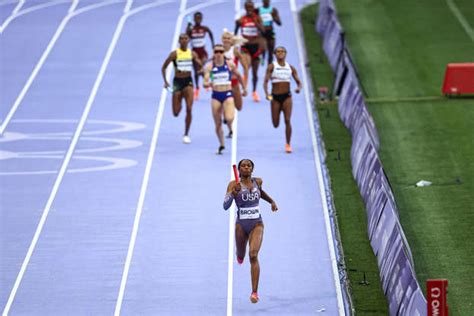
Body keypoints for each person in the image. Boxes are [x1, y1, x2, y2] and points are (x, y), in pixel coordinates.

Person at [223, 159, 278, 303]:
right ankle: (239, 255)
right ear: (239, 170)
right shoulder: (233, 185)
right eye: (243, 165)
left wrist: (271, 201)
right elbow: (225, 206)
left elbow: (261, 192)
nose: (246, 167)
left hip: (257, 224)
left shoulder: (258, 181)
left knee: (253, 255)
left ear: (252, 169)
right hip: (241, 225)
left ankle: (254, 292)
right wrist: (233, 194)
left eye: (249, 165)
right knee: (241, 254)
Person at [204, 44, 247, 154]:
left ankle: (228, 122)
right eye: (216, 52)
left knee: (229, 118)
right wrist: (207, 83)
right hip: (216, 96)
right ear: (213, 53)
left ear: (224, 53)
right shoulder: (209, 66)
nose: (218, 54)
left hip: (227, 94)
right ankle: (222, 144)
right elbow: (205, 80)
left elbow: (239, 76)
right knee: (217, 124)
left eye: (220, 52)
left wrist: (244, 88)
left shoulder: (229, 65)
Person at [161, 33, 202, 144]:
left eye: (186, 38)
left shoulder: (192, 54)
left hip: (188, 82)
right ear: (179, 41)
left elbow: (199, 65)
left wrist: (201, 69)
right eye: (182, 39)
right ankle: (179, 101)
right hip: (177, 83)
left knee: (189, 108)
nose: (184, 40)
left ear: (188, 40)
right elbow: (163, 67)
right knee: (176, 113)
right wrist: (166, 82)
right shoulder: (174, 54)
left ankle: (186, 134)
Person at [263, 46, 302, 153]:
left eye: (282, 51)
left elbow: (299, 82)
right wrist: (267, 94)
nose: (280, 53)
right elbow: (266, 82)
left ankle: (288, 144)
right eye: (278, 51)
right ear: (275, 54)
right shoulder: (272, 67)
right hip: (275, 98)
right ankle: (286, 140)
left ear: (285, 54)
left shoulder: (291, 68)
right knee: (275, 124)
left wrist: (298, 88)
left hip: (287, 97)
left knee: (288, 120)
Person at [234, 0, 265, 102]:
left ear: (253, 8)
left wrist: (256, 23)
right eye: (247, 7)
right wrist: (235, 42)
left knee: (255, 73)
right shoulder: (241, 19)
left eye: (251, 7)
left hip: (255, 48)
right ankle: (244, 88)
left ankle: (254, 92)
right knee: (246, 67)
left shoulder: (257, 18)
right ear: (245, 8)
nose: (249, 9)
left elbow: (263, 31)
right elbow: (235, 32)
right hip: (245, 47)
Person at [186, 11, 214, 100]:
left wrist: (213, 44)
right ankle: (197, 88)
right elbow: (186, 38)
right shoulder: (191, 29)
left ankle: (207, 83)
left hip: (203, 53)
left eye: (199, 18)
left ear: (201, 19)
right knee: (196, 71)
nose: (198, 19)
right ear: (194, 19)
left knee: (201, 68)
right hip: (194, 53)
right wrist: (188, 28)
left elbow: (210, 33)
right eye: (196, 18)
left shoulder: (204, 28)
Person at [222, 31, 248, 113]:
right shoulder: (218, 50)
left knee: (239, 107)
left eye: (228, 38)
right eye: (224, 38)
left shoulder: (235, 51)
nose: (226, 40)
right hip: (222, 82)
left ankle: (230, 103)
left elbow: (245, 67)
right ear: (222, 40)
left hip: (234, 81)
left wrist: (244, 86)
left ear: (231, 40)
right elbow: (212, 67)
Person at [257, 0, 281, 65]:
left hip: (270, 32)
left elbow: (279, 23)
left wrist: (274, 17)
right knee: (263, 47)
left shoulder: (273, 10)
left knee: (271, 52)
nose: (266, 1)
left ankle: (269, 68)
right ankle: (262, 56)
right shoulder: (258, 10)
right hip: (262, 33)